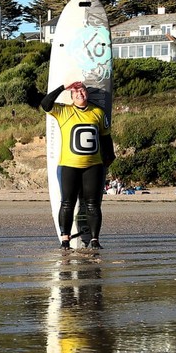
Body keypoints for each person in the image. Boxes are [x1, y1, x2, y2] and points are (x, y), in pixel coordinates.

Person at [32, 80, 114, 249]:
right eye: (76, 92)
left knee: (93, 204)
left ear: (87, 93)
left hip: (93, 166)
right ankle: (65, 240)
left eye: (82, 90)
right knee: (67, 203)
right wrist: (63, 87)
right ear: (71, 96)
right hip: (69, 166)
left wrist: (110, 156)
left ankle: (95, 239)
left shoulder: (98, 112)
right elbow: (45, 104)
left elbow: (106, 137)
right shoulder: (64, 110)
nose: (80, 94)